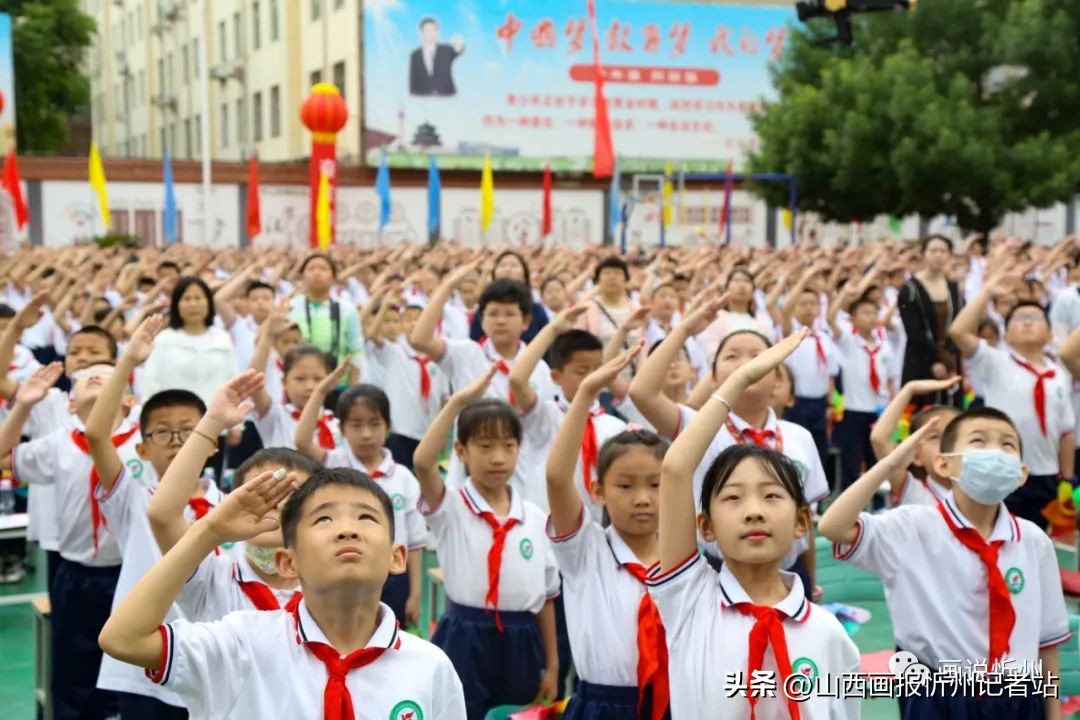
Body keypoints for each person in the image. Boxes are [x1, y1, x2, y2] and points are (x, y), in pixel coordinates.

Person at [98, 467, 468, 719]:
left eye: (366, 517)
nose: (347, 530)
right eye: (324, 519)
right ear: (288, 562)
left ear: (396, 557)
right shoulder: (242, 644)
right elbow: (122, 639)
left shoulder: (430, 667)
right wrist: (210, 531)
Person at [650, 328, 860, 719]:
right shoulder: (690, 601)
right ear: (706, 526)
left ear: (801, 521)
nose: (754, 511)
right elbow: (676, 468)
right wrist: (740, 380)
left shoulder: (828, 632)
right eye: (733, 498)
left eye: (771, 496)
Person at [820, 408, 1069, 718]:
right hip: (939, 694)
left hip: (1018, 694)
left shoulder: (1034, 541)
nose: (994, 452)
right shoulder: (913, 526)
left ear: (1020, 472)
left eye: (1007, 444)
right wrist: (890, 464)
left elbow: (1047, 643)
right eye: (978, 441)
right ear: (943, 463)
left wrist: (1053, 713)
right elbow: (833, 526)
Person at [630, 301, 829, 599]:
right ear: (713, 378)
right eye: (732, 356)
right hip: (719, 573)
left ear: (777, 378)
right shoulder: (698, 428)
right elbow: (642, 393)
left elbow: (806, 521)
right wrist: (684, 331)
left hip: (787, 574)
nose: (745, 364)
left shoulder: (798, 436)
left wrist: (810, 581)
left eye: (757, 356)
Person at [84, 315, 217, 718]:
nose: (177, 442)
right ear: (141, 449)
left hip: (211, 660)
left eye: (189, 431)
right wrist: (127, 361)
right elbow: (96, 434)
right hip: (145, 662)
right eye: (162, 432)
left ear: (210, 444)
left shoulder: (233, 507)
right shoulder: (132, 498)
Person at [413, 367, 560, 720]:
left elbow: (546, 599)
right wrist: (457, 403)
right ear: (461, 451)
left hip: (521, 637)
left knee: (516, 714)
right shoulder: (451, 508)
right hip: (464, 633)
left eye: (508, 446)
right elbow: (422, 462)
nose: (498, 458)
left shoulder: (534, 518)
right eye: (485, 446)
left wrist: (553, 664)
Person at [0, 361, 142, 720]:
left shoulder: (144, 442)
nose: (94, 376)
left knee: (133, 675)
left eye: (107, 375)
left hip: (133, 574)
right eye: (83, 378)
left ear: (129, 400)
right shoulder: (60, 442)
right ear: (70, 403)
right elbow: (3, 457)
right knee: (73, 673)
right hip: (76, 574)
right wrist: (24, 404)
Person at [546, 348, 671, 720]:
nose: (642, 499)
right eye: (626, 486)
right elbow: (556, 477)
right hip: (603, 707)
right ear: (598, 491)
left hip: (672, 702)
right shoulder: (586, 551)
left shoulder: (684, 561)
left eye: (655, 485)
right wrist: (586, 394)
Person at [147, 371, 318, 620]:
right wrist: (212, 423)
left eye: (290, 492)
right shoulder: (211, 576)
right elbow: (163, 515)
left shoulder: (330, 581)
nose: (276, 502)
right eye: (260, 490)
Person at [296, 367, 426, 627]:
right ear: (342, 428)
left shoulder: (403, 477)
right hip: (344, 566)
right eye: (356, 425)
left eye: (375, 424)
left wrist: (415, 594)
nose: (366, 434)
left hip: (393, 575)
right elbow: (302, 441)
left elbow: (414, 544)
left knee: (389, 638)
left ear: (388, 426)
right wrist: (321, 391)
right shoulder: (334, 464)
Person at [949, 270, 1075, 529]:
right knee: (995, 533)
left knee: (1034, 537)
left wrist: (1068, 477)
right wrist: (987, 292)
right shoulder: (995, 361)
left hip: (1046, 473)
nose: (1027, 322)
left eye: (1035, 318)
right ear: (1006, 336)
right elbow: (958, 332)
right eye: (1019, 319)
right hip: (1002, 468)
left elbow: (1066, 431)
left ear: (1049, 334)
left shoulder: (1059, 374)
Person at [411, 260, 554, 488]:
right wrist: (448, 287)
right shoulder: (466, 354)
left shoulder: (539, 369)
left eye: (509, 314)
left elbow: (543, 428)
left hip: (522, 476)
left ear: (526, 321)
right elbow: (420, 339)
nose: (501, 321)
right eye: (493, 314)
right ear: (482, 319)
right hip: (468, 473)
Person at [508, 304, 628, 512]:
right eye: (581, 371)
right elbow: (517, 380)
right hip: (546, 522)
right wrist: (552, 330)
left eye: (597, 369)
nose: (591, 378)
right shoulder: (544, 416)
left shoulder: (616, 427)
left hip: (597, 525)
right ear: (555, 376)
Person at [828, 284, 895, 492]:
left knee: (876, 463)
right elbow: (830, 318)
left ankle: (877, 503)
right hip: (854, 410)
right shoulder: (848, 341)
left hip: (879, 410)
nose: (870, 317)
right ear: (853, 318)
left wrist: (893, 406)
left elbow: (889, 380)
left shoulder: (884, 346)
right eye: (864, 313)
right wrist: (844, 294)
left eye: (874, 313)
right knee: (851, 463)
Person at [248, 306, 341, 451]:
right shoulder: (275, 417)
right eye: (300, 379)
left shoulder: (336, 425)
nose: (310, 386)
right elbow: (253, 382)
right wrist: (268, 336)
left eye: (318, 379)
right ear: (284, 382)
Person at [142, 276, 238, 407]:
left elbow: (232, 380)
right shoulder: (164, 340)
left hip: (216, 415)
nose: (193, 304)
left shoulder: (222, 338)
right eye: (187, 299)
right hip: (175, 415)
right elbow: (151, 383)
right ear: (176, 304)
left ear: (209, 303)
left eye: (198, 298)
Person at [869, 376, 962, 507]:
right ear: (917, 456)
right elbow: (879, 439)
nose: (947, 442)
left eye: (954, 435)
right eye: (935, 437)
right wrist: (909, 390)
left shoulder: (980, 492)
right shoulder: (914, 492)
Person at [898, 235, 964, 406]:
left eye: (943, 251)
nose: (938, 255)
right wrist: (934, 361)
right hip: (921, 359)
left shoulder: (954, 288)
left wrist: (949, 359)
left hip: (950, 360)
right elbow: (914, 331)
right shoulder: (910, 289)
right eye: (933, 251)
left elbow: (960, 323)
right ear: (923, 254)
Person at [289, 253, 363, 384]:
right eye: (311, 269)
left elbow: (356, 351)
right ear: (302, 277)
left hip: (339, 385)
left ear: (333, 277)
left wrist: (352, 388)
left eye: (323, 269)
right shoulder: (290, 307)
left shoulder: (347, 309)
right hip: (300, 386)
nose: (317, 273)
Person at [469, 250, 550, 342]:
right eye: (502, 265)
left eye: (514, 266)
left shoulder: (536, 310)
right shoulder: (485, 309)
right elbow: (474, 341)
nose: (508, 269)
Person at [409, 16, 465, 97]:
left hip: (447, 96)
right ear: (421, 33)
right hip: (424, 98)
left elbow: (458, 51)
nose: (431, 33)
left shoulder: (447, 49)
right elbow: (413, 81)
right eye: (428, 30)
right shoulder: (415, 55)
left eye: (434, 30)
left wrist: (459, 45)